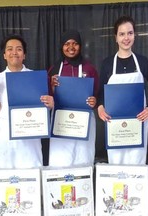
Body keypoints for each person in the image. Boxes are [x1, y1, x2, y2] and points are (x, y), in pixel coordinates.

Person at [97, 15, 148, 165]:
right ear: (115, 37)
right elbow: (100, 91)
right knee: (116, 162)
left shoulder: (142, 62)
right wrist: (100, 107)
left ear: (135, 35)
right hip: (114, 123)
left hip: (137, 122)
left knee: (136, 161)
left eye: (130, 33)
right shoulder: (108, 64)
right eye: (122, 34)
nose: (126, 38)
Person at [0, 34, 54, 168]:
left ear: (24, 55)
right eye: (10, 49)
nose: (14, 52)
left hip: (30, 141)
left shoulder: (36, 78)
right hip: (5, 140)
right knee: (6, 183)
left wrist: (50, 104)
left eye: (19, 49)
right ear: (4, 55)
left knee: (31, 182)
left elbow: (45, 107)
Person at [48, 30, 99, 167]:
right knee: (61, 159)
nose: (71, 47)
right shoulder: (54, 69)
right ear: (61, 46)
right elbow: (47, 98)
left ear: (80, 46)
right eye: (67, 44)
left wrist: (94, 101)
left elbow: (97, 95)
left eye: (75, 43)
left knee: (83, 156)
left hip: (84, 120)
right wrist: (51, 87)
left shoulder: (90, 69)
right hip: (61, 119)